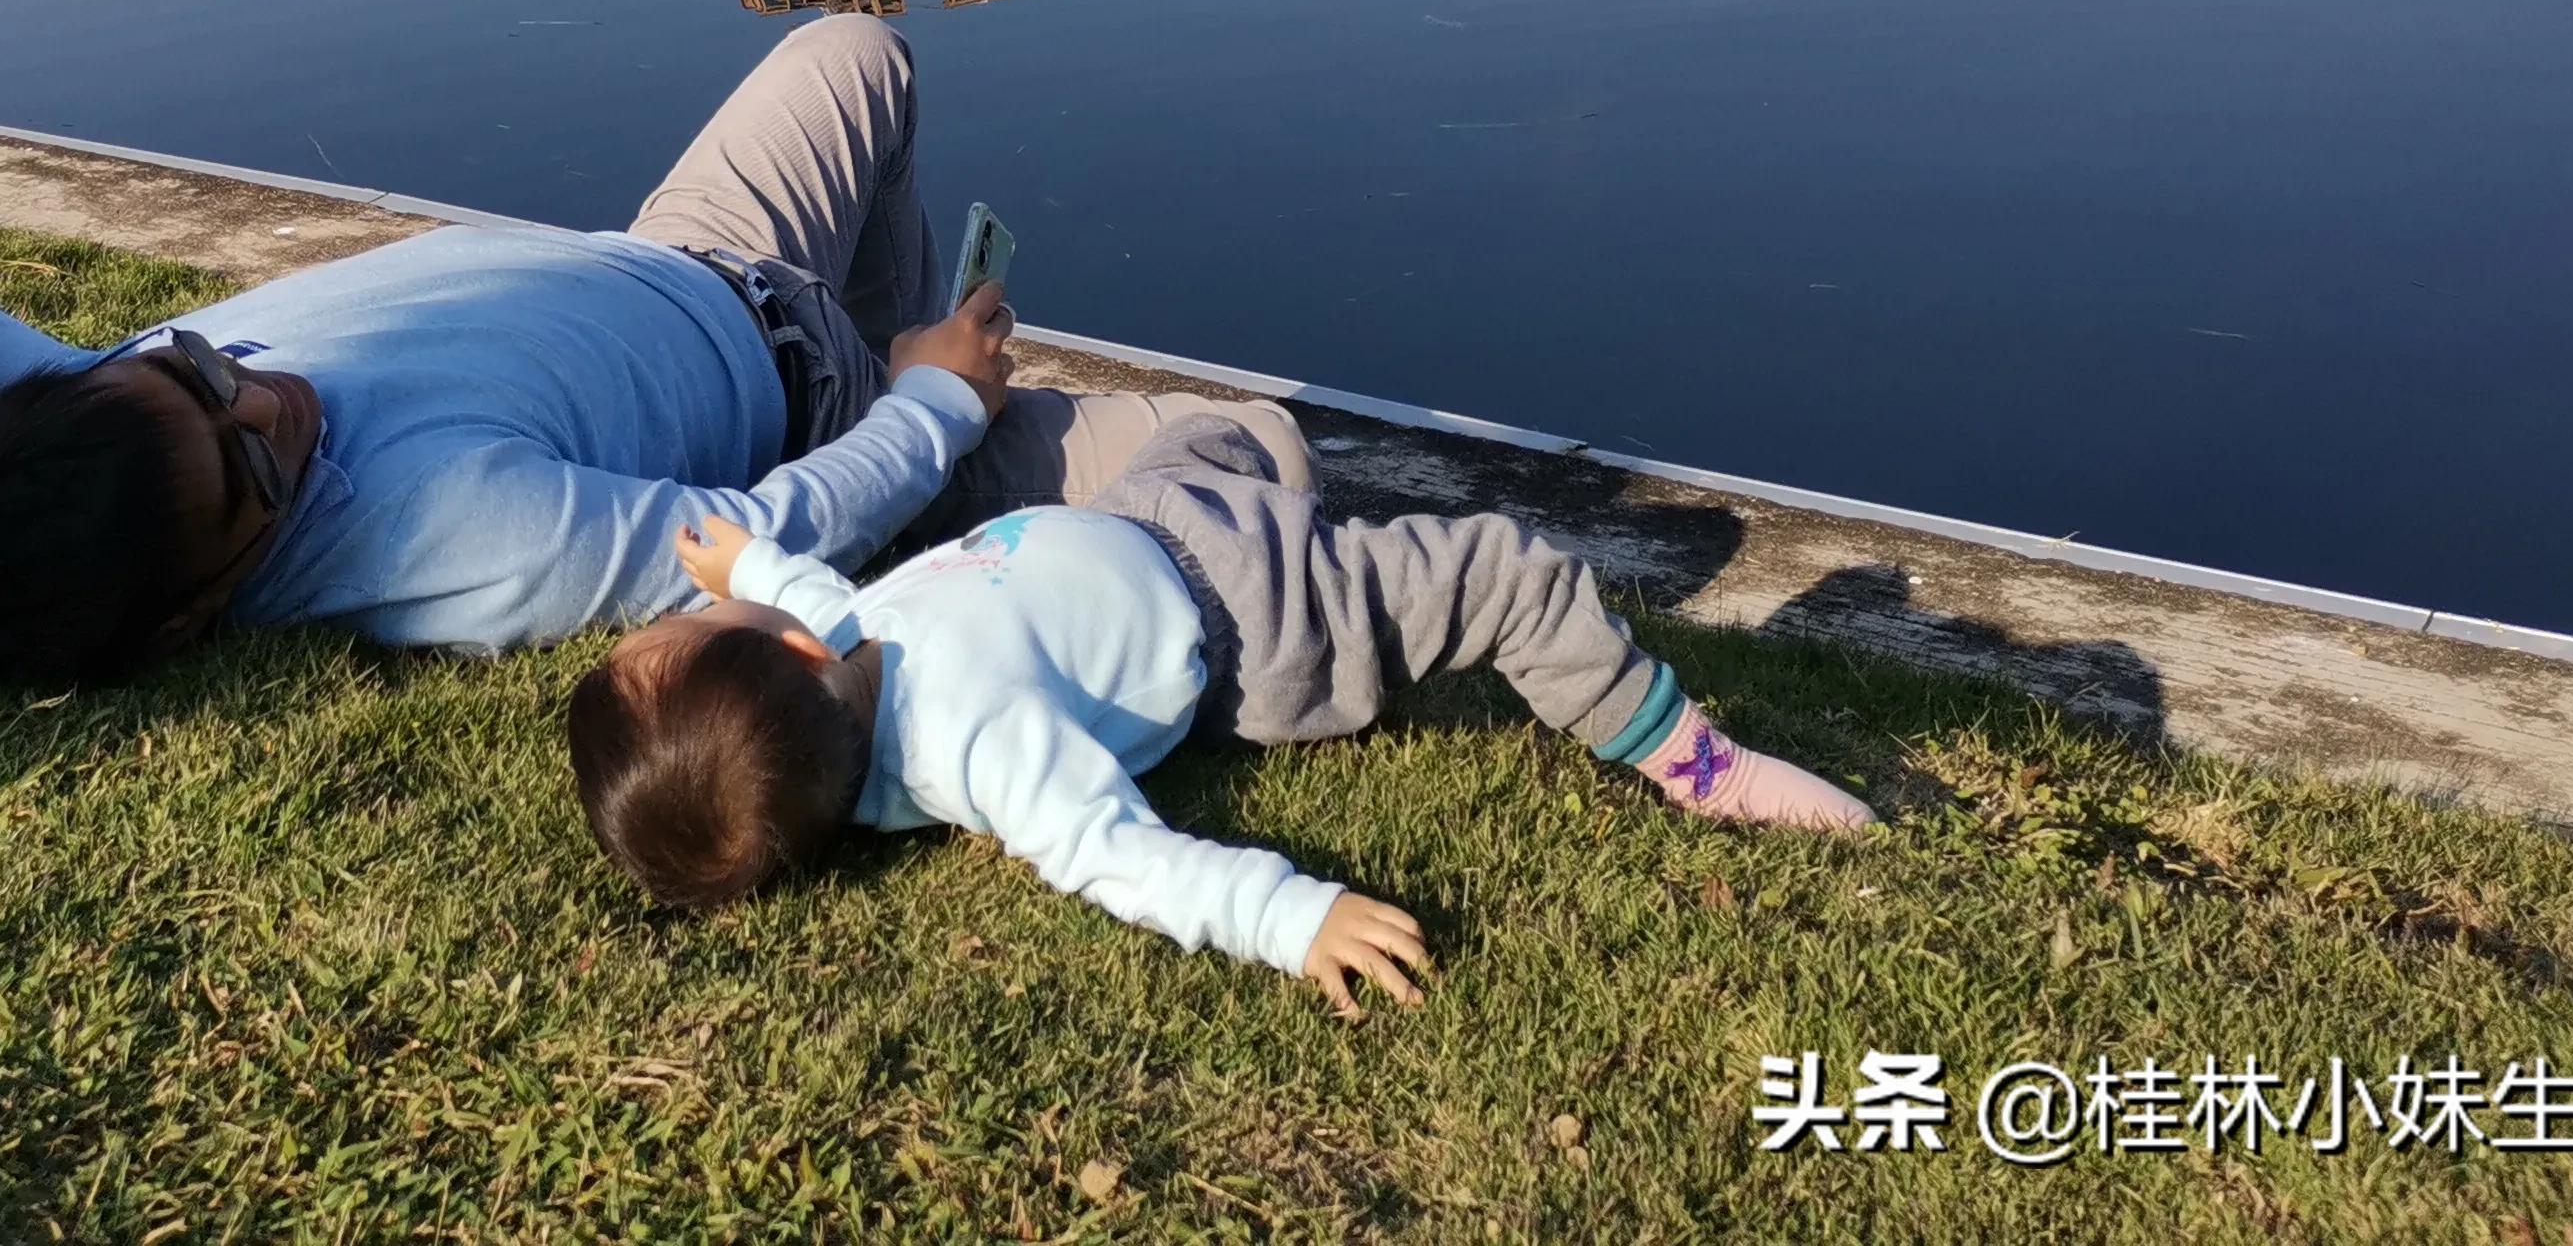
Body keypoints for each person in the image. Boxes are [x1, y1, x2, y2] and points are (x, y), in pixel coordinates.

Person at [0, 19, 1250, 688]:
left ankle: (910, 360)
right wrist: (925, 407)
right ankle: (957, 464)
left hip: (686, 248)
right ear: (190, 611)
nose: (264, 396)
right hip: (820, 413)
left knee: (858, 53)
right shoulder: (441, 533)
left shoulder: (113, 435)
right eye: (247, 460)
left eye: (195, 370)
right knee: (1265, 457)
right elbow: (743, 543)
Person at [566, 410, 1875, 1018]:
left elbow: (813, 599)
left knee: (1227, 428)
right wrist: (1287, 915)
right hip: (1246, 619)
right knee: (1497, 575)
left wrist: (743, 568)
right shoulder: (983, 753)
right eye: (681, 628)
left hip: (1144, 520)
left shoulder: (831, 658)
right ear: (785, 659)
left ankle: (1283, 484)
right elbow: (1118, 858)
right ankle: (1694, 761)